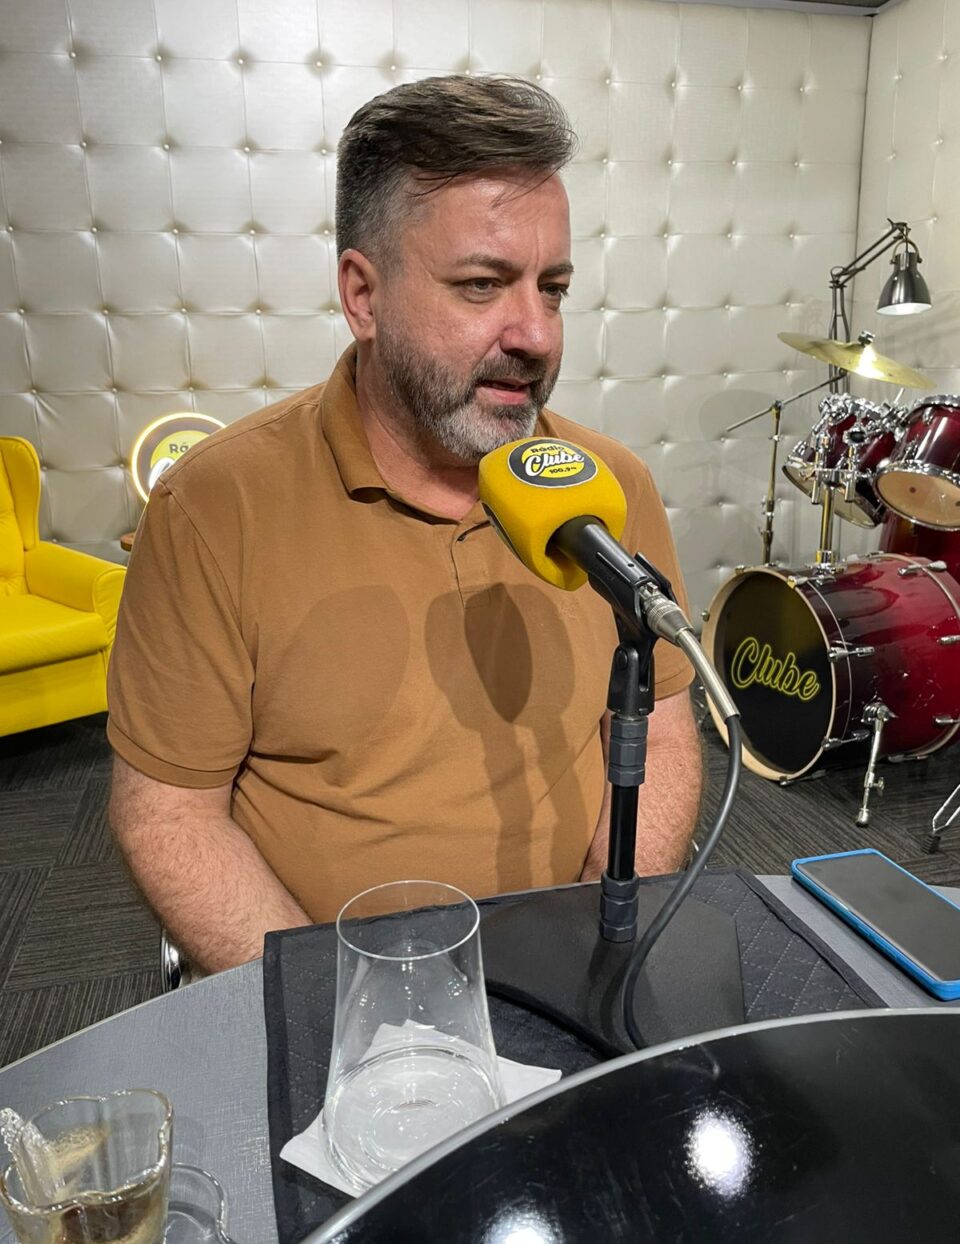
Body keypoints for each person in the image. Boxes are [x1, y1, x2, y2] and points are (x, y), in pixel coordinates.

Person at [107, 75, 703, 973]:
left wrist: (598, 940)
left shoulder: (612, 487)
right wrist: (336, 1010)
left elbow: (660, 729)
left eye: (552, 288)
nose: (537, 334)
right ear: (364, 295)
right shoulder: (214, 508)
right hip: (336, 995)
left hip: (574, 965)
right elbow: (167, 813)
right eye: (481, 285)